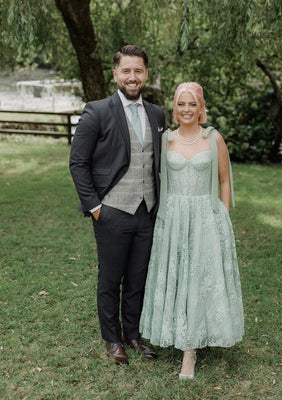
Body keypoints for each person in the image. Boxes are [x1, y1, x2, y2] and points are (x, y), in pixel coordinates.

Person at [139, 82, 244, 379]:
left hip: (204, 216)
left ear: (201, 108)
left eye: (192, 104)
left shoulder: (214, 139)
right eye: (181, 104)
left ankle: (190, 353)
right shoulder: (166, 140)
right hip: (173, 217)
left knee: (200, 278)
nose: (187, 109)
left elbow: (225, 180)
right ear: (175, 108)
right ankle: (177, 331)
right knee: (177, 276)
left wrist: (221, 213)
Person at [69, 45, 165, 366]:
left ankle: (132, 334)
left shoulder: (157, 114)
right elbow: (78, 162)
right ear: (116, 74)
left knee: (138, 277)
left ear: (146, 74)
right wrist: (95, 207)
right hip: (111, 211)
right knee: (110, 279)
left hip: (147, 212)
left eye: (138, 71)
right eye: (126, 71)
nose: (132, 77)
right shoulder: (97, 111)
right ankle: (112, 340)